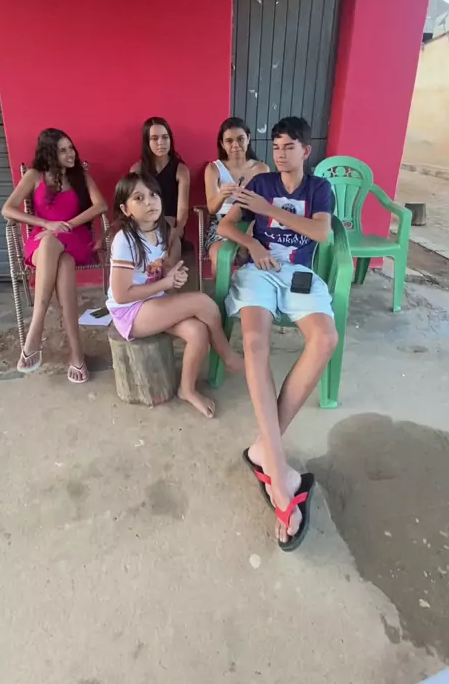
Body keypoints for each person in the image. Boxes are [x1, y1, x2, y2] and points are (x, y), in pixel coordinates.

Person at [217, 117, 338, 551]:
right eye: (276, 146)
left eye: (290, 146)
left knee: (325, 339)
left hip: (299, 275)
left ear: (306, 151)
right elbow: (227, 226)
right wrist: (252, 244)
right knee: (255, 344)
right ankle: (279, 474)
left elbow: (321, 233)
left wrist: (269, 212)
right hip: (260, 272)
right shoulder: (260, 183)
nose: (281, 153)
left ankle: (264, 452)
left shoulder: (319, 189)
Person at [106, 172, 243, 418]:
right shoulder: (124, 240)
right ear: (126, 210)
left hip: (153, 302)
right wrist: (165, 283)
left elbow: (158, 272)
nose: (149, 202)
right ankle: (226, 353)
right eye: (139, 198)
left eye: (153, 195)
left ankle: (187, 389)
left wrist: (173, 276)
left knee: (198, 332)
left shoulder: (161, 230)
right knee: (201, 301)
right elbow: (122, 295)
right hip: (130, 312)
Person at [2, 128, 107, 383]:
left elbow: (101, 205)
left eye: (71, 148)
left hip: (74, 237)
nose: (70, 154)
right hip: (43, 240)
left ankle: (35, 329)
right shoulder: (34, 176)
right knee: (60, 257)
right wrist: (45, 223)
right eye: (63, 150)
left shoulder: (80, 175)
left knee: (58, 248)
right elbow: (8, 209)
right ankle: (77, 355)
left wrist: (66, 225)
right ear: (50, 153)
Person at [204, 117, 268, 275]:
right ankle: (222, 293)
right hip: (220, 225)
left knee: (258, 261)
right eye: (229, 141)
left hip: (252, 225)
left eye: (240, 139)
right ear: (222, 144)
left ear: (248, 139)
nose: (235, 145)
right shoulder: (213, 169)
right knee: (220, 259)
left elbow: (266, 206)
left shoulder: (261, 169)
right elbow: (212, 208)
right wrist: (221, 195)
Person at [130, 117, 190, 255]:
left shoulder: (180, 170)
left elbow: (183, 209)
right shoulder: (137, 170)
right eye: (154, 138)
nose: (160, 143)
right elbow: (133, 205)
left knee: (167, 232)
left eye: (165, 137)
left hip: (171, 223)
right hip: (144, 222)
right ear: (147, 142)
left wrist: (177, 231)